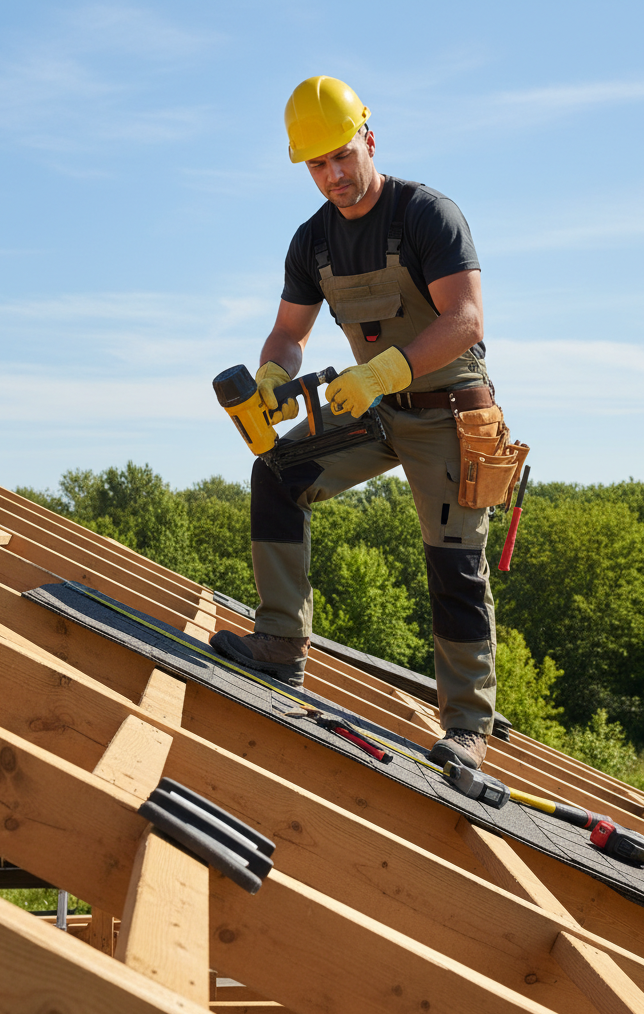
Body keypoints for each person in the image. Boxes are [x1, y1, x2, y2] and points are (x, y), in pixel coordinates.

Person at [212, 75, 506, 770]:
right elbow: (289, 333)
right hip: (374, 410)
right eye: (317, 164)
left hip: (448, 414)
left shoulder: (426, 215)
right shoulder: (312, 242)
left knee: (455, 564)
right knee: (276, 475)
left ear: (368, 139)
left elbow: (466, 320)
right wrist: (273, 377)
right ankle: (281, 644)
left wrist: (382, 372)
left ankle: (467, 727)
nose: (333, 176)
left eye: (342, 156)